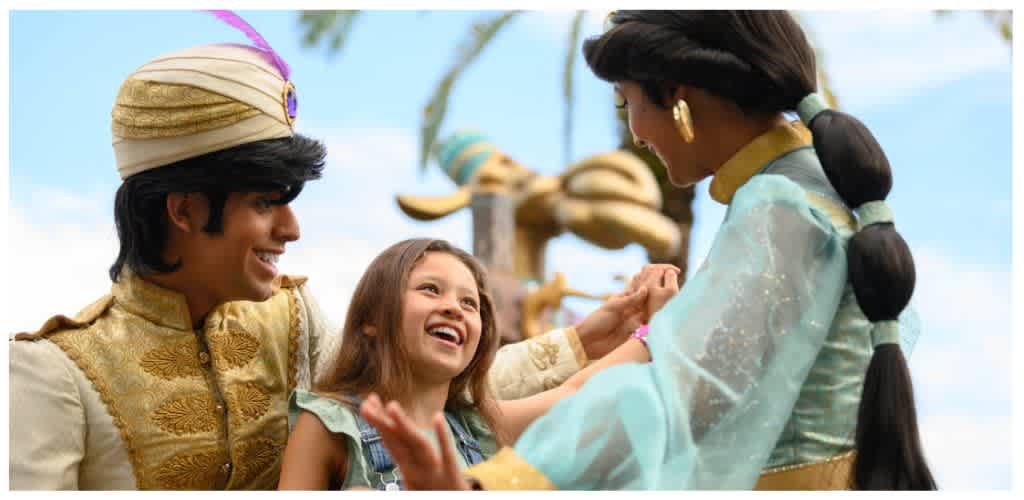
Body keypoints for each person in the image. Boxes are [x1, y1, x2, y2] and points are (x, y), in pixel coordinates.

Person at [7, 15, 636, 491]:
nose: (292, 228)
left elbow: (412, 387)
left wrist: (580, 344)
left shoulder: (291, 316)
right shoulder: (52, 372)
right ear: (185, 209)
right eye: (265, 203)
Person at [358, 10, 936, 490]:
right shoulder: (816, 191)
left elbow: (671, 399)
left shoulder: (778, 205)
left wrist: (494, 484)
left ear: (677, 96)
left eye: (625, 102)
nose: (634, 134)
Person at [277, 238, 679, 490]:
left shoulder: (477, 427)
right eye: (430, 290)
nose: (453, 307)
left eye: (469, 303)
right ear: (371, 320)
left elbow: (576, 392)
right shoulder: (328, 424)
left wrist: (651, 333)